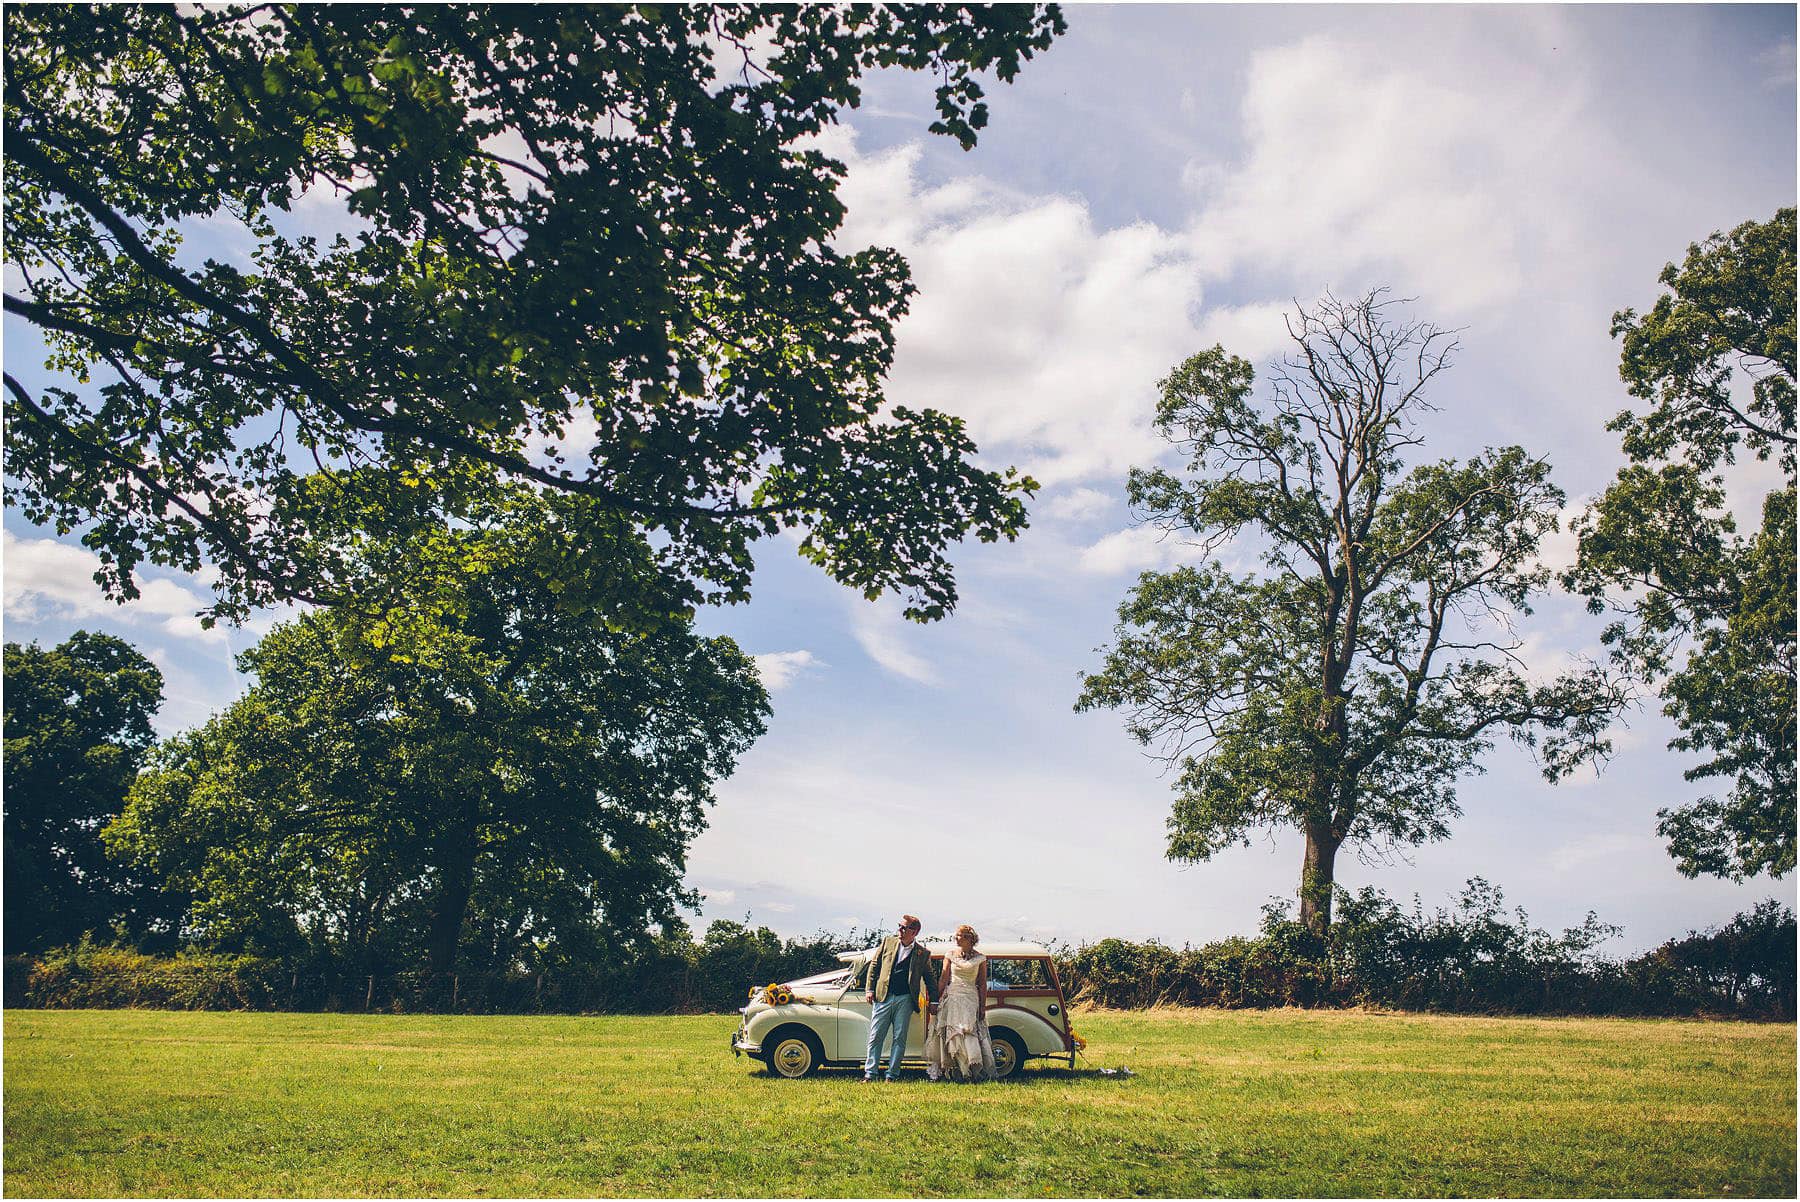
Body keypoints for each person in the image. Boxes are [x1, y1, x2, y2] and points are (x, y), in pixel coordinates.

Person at [861, 913, 939, 1082]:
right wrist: (869, 989)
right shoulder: (888, 942)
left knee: (899, 1038)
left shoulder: (922, 953)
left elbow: (930, 978)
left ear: (915, 932)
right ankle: (870, 1073)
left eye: (905, 928)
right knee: (876, 1036)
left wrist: (934, 1000)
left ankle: (892, 1074)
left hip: (905, 998)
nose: (900, 930)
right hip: (884, 995)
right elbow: (875, 966)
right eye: (900, 926)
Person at [925, 923, 995, 1082]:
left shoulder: (980, 958)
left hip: (970, 997)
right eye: (956, 935)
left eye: (959, 935)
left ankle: (969, 1069)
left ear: (969, 938)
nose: (955, 938)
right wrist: (935, 999)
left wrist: (982, 1007)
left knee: (968, 1031)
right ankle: (951, 1068)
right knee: (950, 1031)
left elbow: (982, 983)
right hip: (953, 996)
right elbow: (944, 978)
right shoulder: (950, 954)